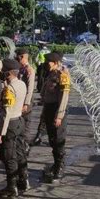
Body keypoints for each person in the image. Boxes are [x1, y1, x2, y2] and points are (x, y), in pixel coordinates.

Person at [0, 59, 28, 197]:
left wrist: (0, 132)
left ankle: (11, 187)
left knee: (9, 156)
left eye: (3, 71)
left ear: (8, 73)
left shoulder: (9, 89)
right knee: (20, 152)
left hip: (10, 124)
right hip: (20, 121)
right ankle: (23, 180)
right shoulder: (21, 84)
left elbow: (6, 113)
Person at [40, 53, 70, 181]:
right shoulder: (51, 74)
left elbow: (64, 98)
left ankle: (60, 167)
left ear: (56, 62)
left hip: (57, 110)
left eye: (50, 62)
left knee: (58, 140)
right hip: (49, 109)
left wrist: (59, 116)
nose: (47, 63)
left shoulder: (62, 76)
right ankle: (56, 164)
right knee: (52, 139)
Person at [15, 48, 36, 151]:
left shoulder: (29, 70)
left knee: (26, 124)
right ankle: (20, 144)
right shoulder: (20, 68)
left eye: (18, 57)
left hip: (25, 101)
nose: (17, 59)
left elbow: (30, 89)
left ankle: (26, 146)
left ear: (22, 57)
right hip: (18, 100)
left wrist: (26, 103)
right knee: (19, 123)